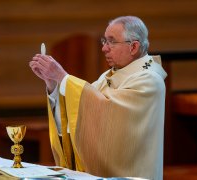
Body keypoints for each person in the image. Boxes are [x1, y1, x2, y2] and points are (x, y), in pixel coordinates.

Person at [29, 16, 167, 179]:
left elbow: (109, 113)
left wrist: (63, 77)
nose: (104, 48)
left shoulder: (149, 80)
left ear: (134, 46)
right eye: (104, 41)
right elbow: (78, 114)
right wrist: (53, 84)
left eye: (111, 42)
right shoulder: (107, 76)